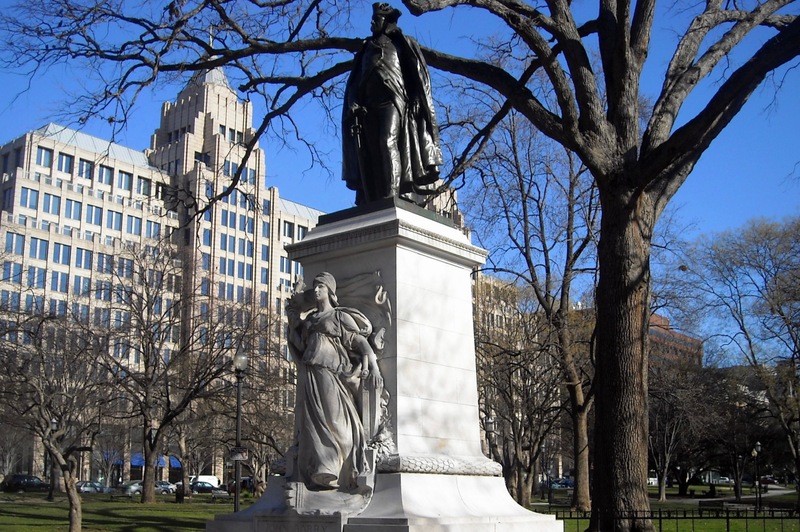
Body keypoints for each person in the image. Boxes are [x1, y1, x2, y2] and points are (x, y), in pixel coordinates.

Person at [286, 272, 384, 491]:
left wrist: (374, 365)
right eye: (315, 287)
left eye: (320, 286)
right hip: (311, 372)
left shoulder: (339, 316)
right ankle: (323, 467)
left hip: (331, 374)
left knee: (333, 419)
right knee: (313, 423)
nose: (316, 290)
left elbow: (359, 341)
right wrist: (293, 316)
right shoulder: (311, 320)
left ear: (330, 291)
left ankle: (341, 463)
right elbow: (298, 342)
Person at [342, 2, 443, 206]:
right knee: (369, 150)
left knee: (387, 141)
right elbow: (354, 82)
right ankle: (371, 195)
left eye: (376, 18)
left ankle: (391, 193)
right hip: (366, 107)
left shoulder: (401, 43)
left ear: (386, 20)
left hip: (393, 102)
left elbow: (416, 76)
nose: (372, 22)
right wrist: (353, 103)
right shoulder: (365, 48)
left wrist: (416, 98)